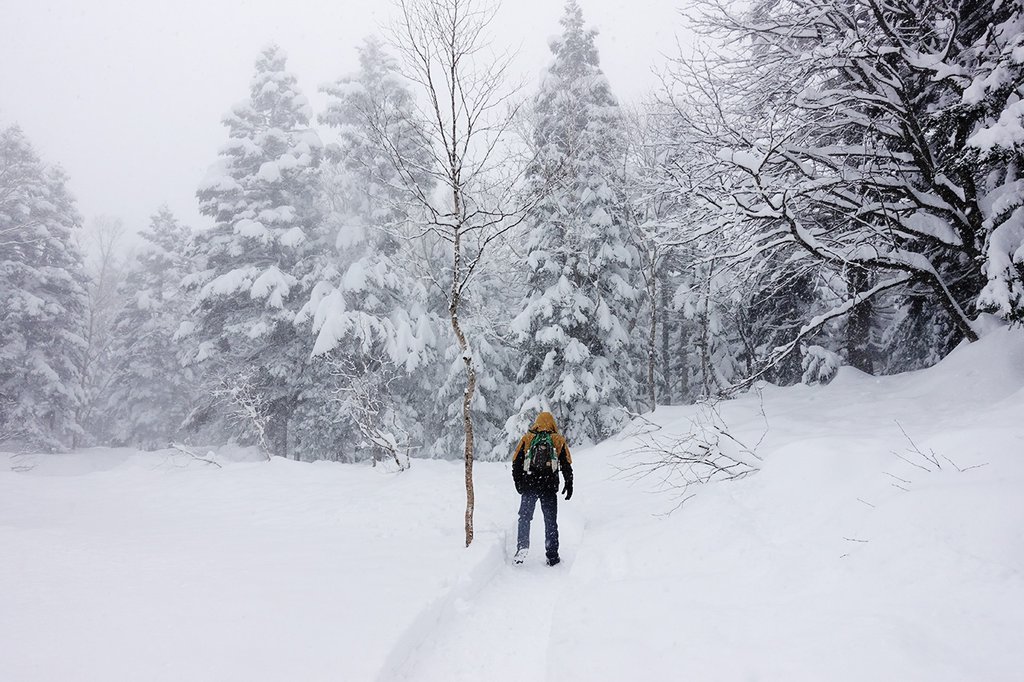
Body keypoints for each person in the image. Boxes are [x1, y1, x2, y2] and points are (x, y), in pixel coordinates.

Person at [511, 411, 573, 566]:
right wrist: (569, 483)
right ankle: (552, 556)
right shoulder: (558, 440)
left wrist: (519, 483)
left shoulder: (527, 438)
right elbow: (566, 465)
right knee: (550, 520)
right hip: (549, 486)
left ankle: (522, 547)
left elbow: (516, 462)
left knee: (525, 517)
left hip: (529, 484)